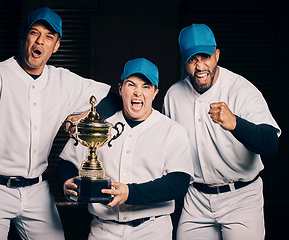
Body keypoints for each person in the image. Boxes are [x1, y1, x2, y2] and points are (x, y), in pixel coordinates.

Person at [0, 7, 111, 240]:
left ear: (56, 45)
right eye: (35, 33)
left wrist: (88, 114)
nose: (40, 41)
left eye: (49, 37)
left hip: (37, 190)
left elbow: (112, 97)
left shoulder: (63, 80)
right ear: (25, 37)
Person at [163, 23, 281, 240]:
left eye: (205, 57)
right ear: (184, 61)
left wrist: (236, 123)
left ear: (217, 54)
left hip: (241, 198)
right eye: (192, 59)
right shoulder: (173, 95)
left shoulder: (241, 90)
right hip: (196, 199)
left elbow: (270, 143)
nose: (200, 66)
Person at [58, 58, 194, 240]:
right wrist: (67, 182)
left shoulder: (172, 130)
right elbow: (67, 161)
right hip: (103, 230)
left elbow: (178, 183)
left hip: (152, 230)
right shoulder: (100, 125)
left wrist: (130, 193)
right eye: (131, 85)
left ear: (155, 92)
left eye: (146, 86)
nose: (138, 93)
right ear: (120, 89)